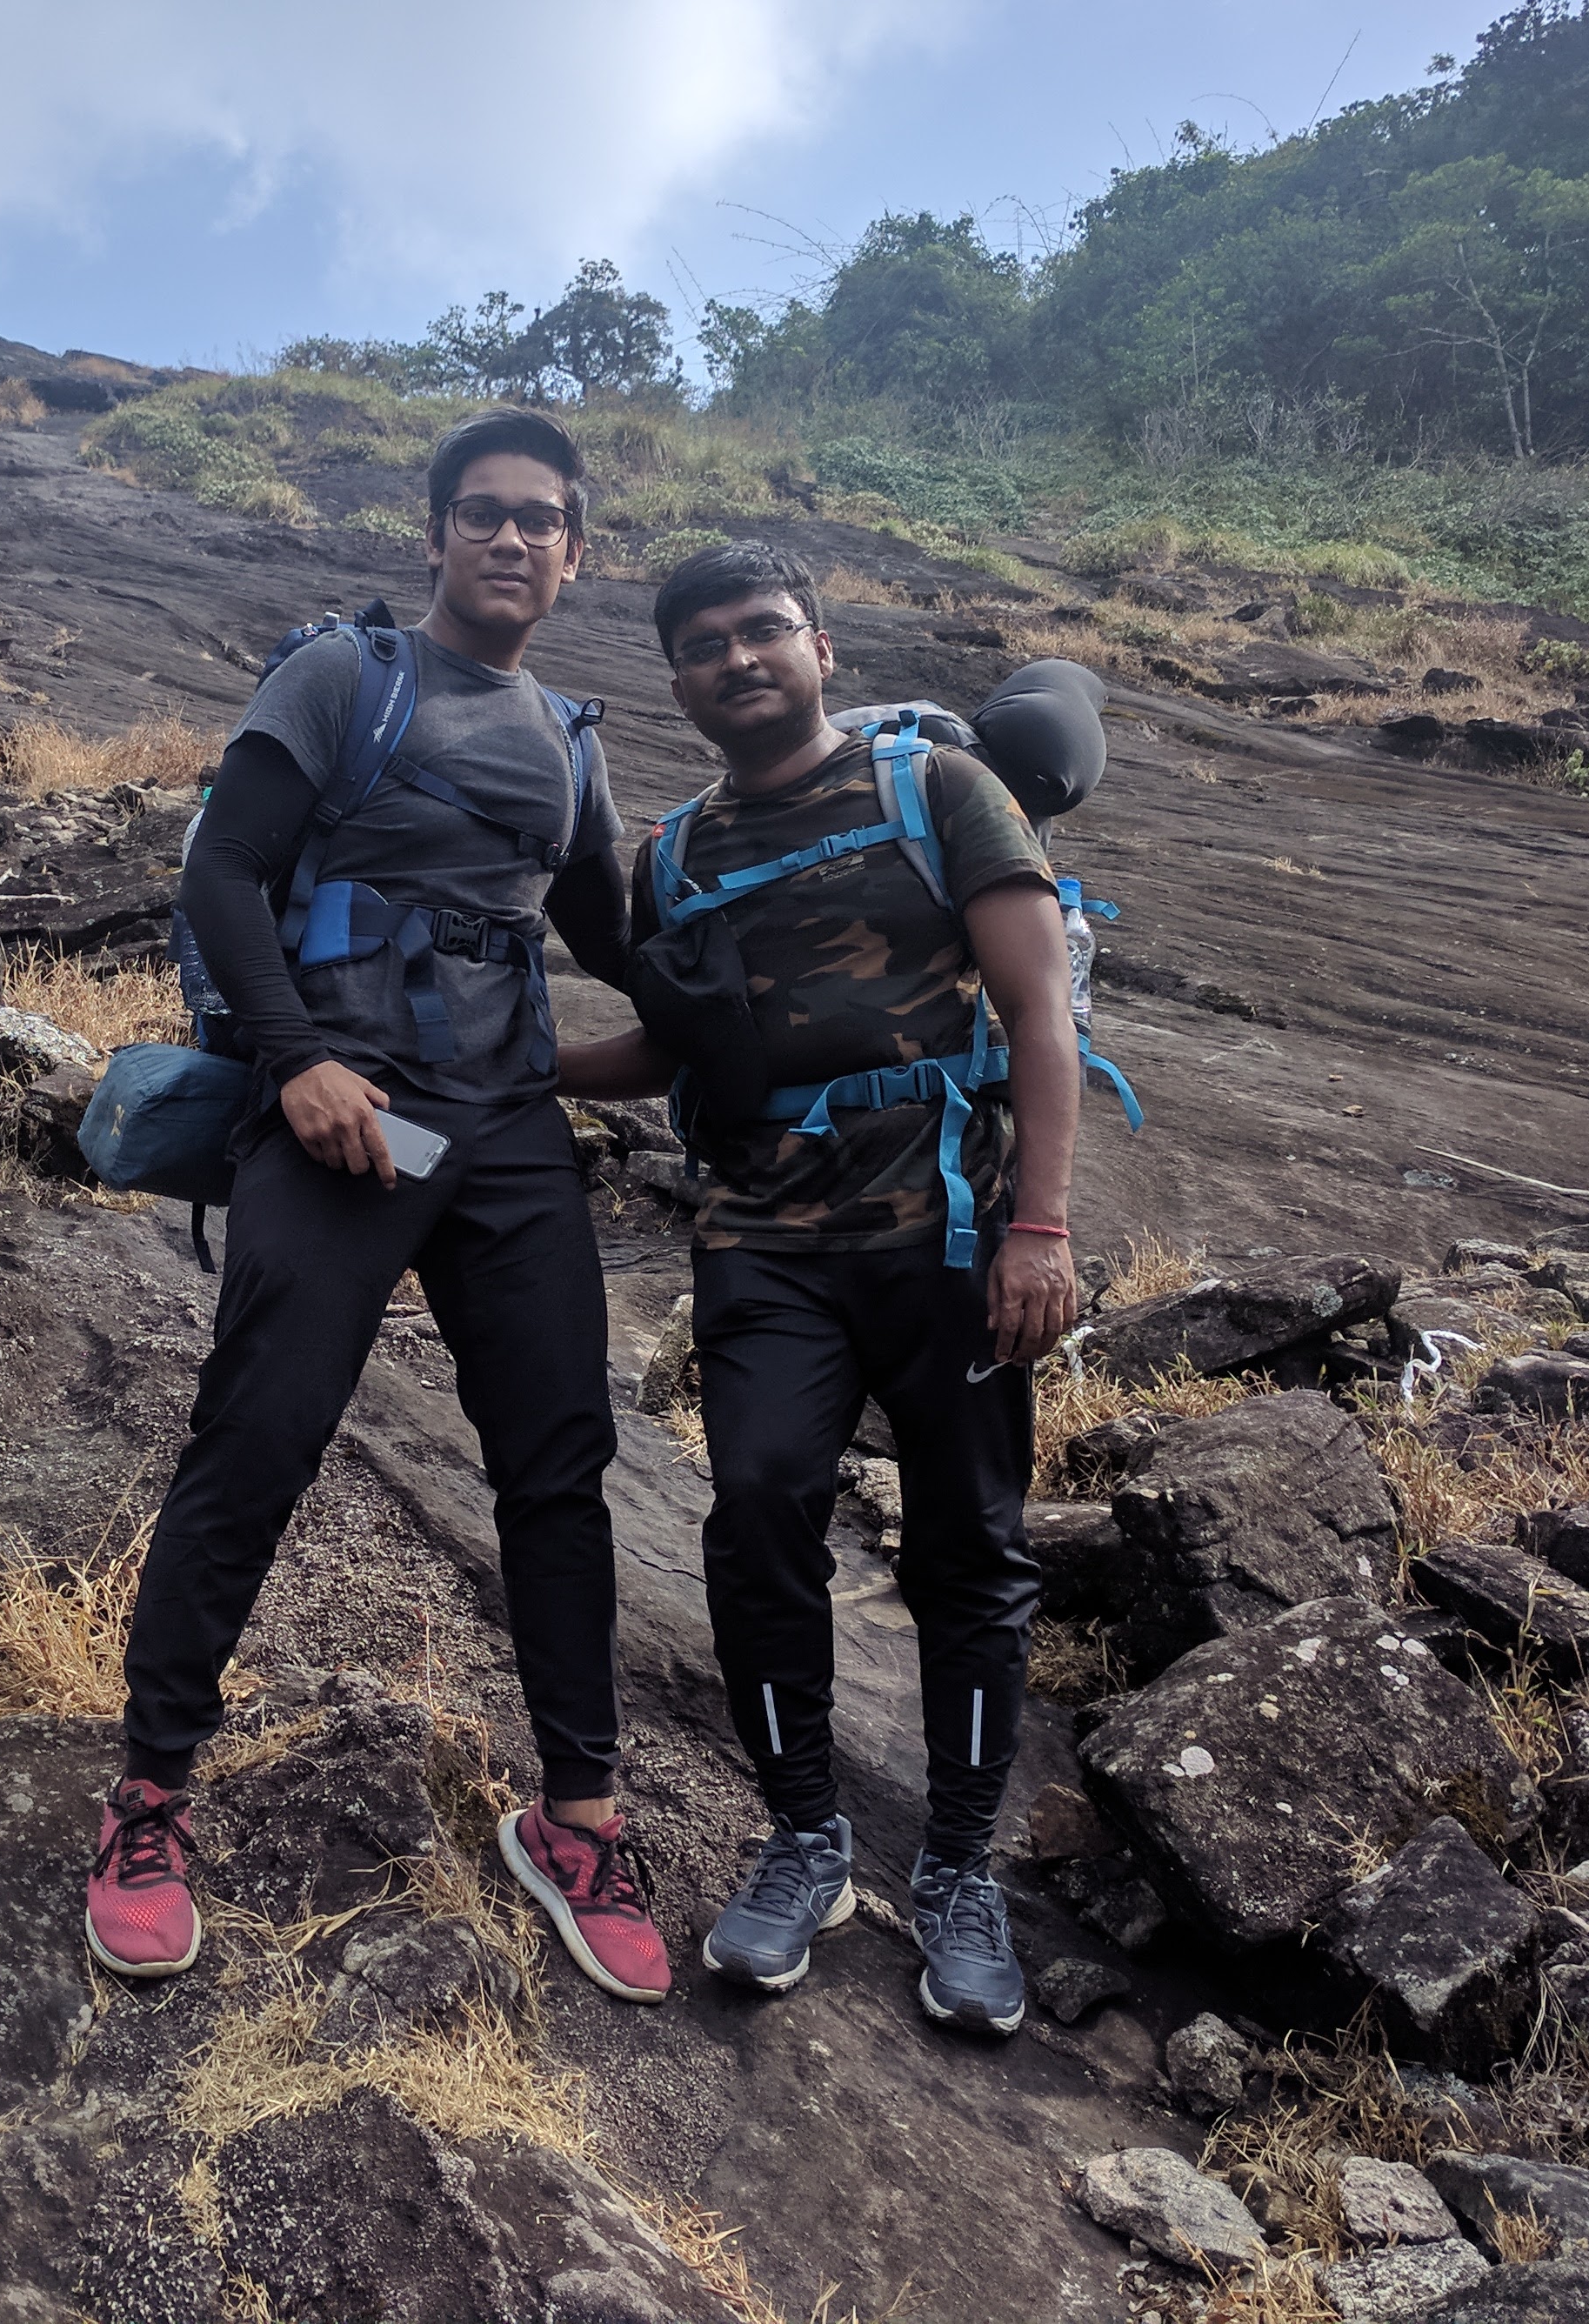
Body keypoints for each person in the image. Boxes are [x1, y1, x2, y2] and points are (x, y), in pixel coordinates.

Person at [84, 409, 673, 2004]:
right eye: (480, 513)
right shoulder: (345, 679)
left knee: (559, 1468)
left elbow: (623, 940)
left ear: (574, 550)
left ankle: (579, 1821)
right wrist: (294, 1067)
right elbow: (220, 876)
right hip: (345, 1119)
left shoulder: (573, 743)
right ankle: (149, 1799)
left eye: (540, 519)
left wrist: (851, 924)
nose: (508, 538)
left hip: (508, 1137)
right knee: (260, 1437)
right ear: (433, 535)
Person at [557, 540, 1084, 2034]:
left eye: (766, 630)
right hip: (763, 1239)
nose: (741, 657)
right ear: (678, 679)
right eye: (708, 643)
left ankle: (960, 1871)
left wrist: (1042, 1226)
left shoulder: (940, 794)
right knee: (759, 1509)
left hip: (953, 1236)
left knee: (971, 1550)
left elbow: (1040, 1010)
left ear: (823, 647)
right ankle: (805, 1839)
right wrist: (510, 1067)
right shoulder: (671, 857)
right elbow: (672, 1052)